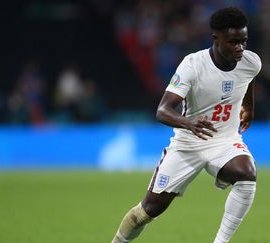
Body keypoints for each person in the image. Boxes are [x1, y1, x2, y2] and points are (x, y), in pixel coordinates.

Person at [111, 6, 261, 243]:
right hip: (188, 143)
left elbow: (249, 78)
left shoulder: (251, 61)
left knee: (247, 174)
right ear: (216, 38)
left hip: (225, 141)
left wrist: (248, 107)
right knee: (148, 211)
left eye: (244, 41)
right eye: (233, 42)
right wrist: (188, 122)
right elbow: (162, 110)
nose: (240, 48)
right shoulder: (193, 65)